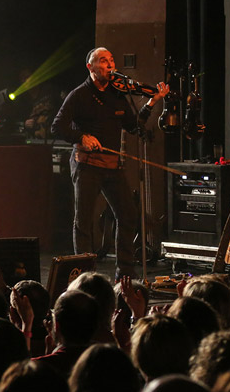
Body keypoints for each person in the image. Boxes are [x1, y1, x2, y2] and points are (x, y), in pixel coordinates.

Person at [50, 47, 168, 278]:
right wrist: (81, 137)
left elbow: (133, 126)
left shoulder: (117, 94)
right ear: (90, 67)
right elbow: (57, 126)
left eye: (111, 60)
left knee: (128, 215)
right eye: (103, 61)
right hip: (87, 165)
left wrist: (152, 102)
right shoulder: (79, 95)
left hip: (112, 165)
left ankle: (124, 273)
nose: (109, 64)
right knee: (84, 221)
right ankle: (84, 275)